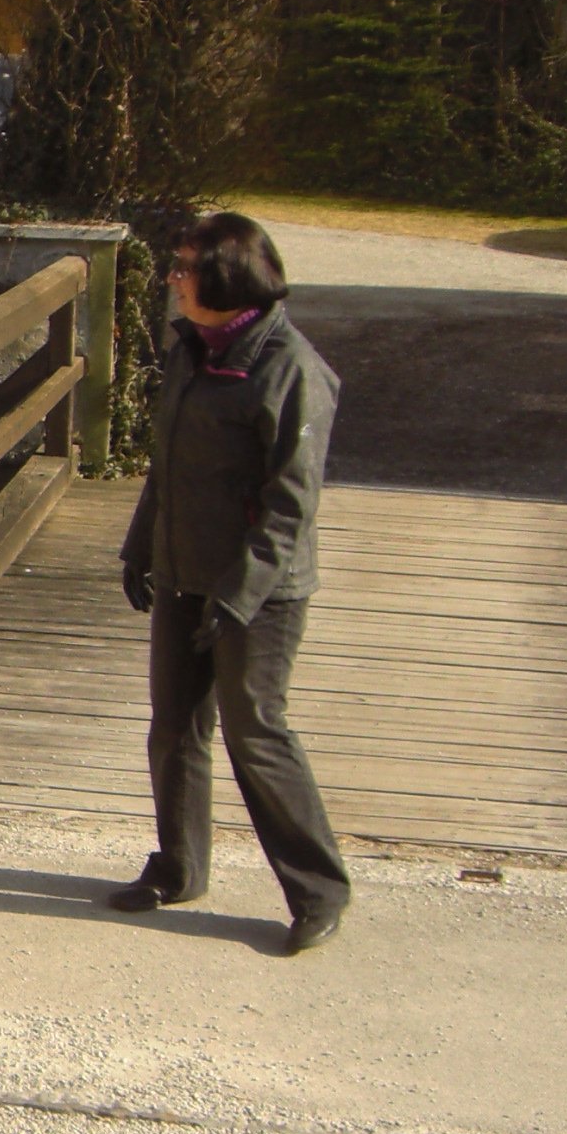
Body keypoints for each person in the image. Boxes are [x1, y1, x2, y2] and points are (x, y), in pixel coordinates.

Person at [114, 213, 351, 953]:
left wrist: (239, 594)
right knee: (174, 730)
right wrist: (139, 548)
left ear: (225, 278)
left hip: (260, 592)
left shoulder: (291, 368)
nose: (173, 279)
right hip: (183, 571)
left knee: (257, 734)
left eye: (184, 268)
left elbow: (291, 504)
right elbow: (167, 464)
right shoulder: (192, 348)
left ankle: (318, 892)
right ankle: (178, 867)